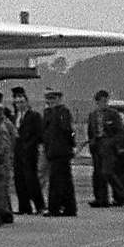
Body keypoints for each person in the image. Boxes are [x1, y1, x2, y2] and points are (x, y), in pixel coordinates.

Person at [86, 90, 124, 207]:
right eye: (101, 101)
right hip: (97, 145)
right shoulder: (93, 115)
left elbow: (120, 132)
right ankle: (101, 198)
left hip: (109, 147)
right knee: (97, 174)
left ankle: (120, 195)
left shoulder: (113, 114)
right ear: (97, 102)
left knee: (107, 171)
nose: (103, 103)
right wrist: (91, 143)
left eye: (105, 101)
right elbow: (90, 132)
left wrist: (111, 143)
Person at [42, 89, 78, 217]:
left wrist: (71, 145)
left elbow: (67, 130)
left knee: (58, 180)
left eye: (53, 99)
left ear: (59, 99)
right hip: (53, 150)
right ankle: (68, 207)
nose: (51, 101)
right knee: (63, 180)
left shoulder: (63, 112)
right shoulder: (48, 112)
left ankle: (55, 207)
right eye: (49, 99)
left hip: (61, 150)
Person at [12, 87, 46, 215]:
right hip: (18, 152)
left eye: (21, 102)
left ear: (27, 102)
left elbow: (38, 134)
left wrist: (29, 145)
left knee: (31, 179)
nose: (19, 105)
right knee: (19, 180)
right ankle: (24, 206)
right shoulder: (15, 116)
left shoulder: (34, 116)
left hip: (30, 152)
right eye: (17, 102)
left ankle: (39, 206)